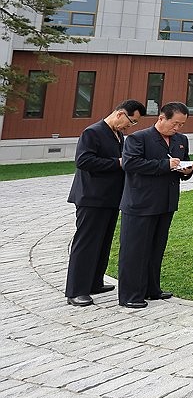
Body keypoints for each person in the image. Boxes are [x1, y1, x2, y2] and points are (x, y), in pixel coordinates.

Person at [65, 99, 146, 307]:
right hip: (91, 198)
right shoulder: (92, 132)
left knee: (103, 242)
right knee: (87, 243)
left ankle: (94, 282)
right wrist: (117, 162)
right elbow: (83, 161)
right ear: (120, 114)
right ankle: (76, 291)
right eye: (131, 121)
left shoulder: (118, 135)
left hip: (111, 198)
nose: (131, 126)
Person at [117, 102, 193, 309]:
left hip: (166, 203)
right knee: (135, 250)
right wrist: (164, 165)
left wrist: (187, 171)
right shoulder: (138, 138)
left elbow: (182, 164)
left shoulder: (181, 140)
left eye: (182, 124)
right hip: (140, 204)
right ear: (161, 118)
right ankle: (130, 295)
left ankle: (152, 289)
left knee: (156, 248)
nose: (178, 128)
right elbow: (130, 164)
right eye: (175, 123)